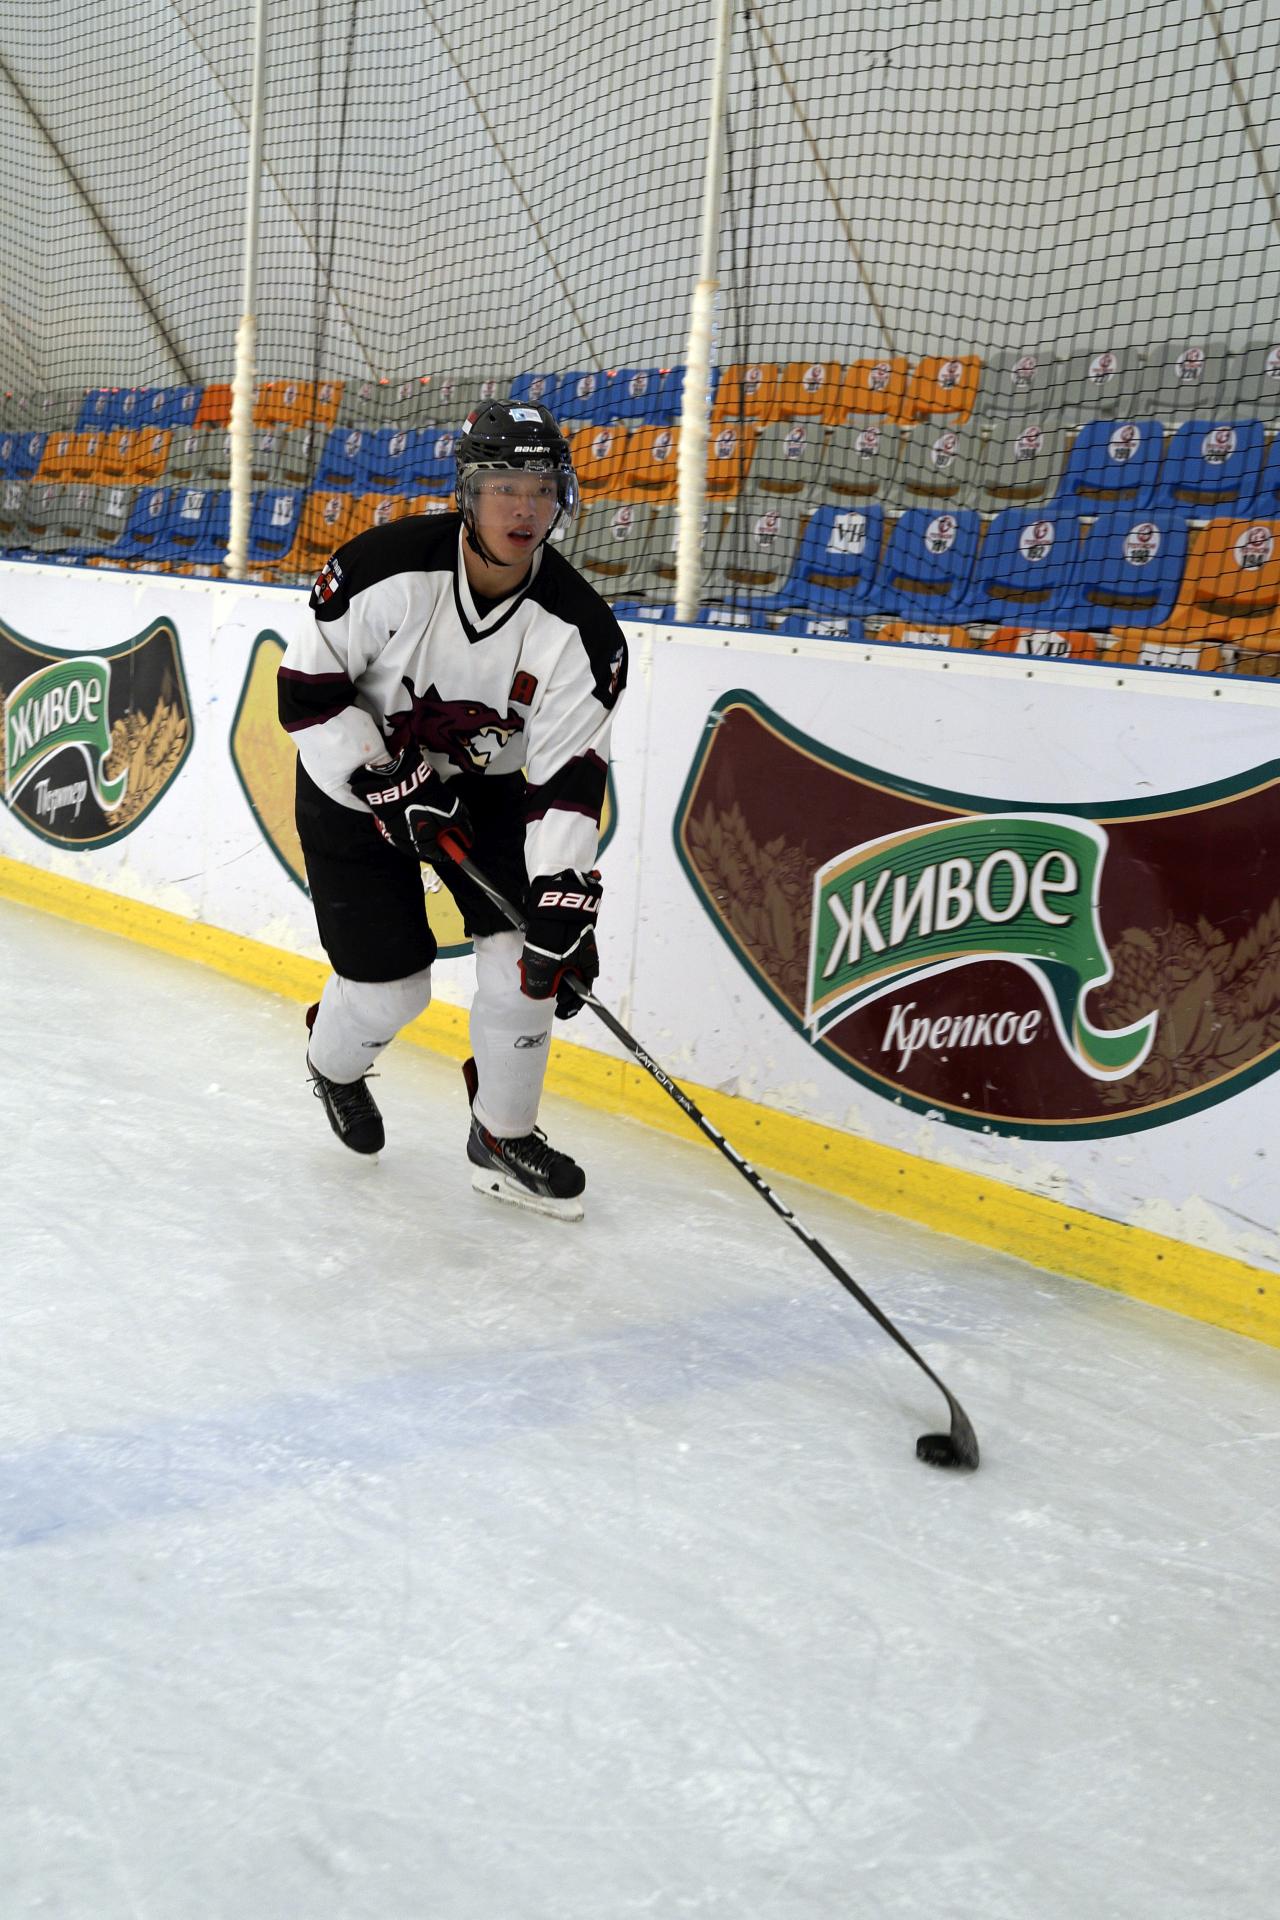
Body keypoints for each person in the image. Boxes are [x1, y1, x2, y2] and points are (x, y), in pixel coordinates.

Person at [277, 398, 628, 1221]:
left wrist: (565, 893)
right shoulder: (385, 568)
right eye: (504, 486)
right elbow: (306, 695)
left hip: (485, 789)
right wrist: (384, 779)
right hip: (351, 783)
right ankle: (333, 1063)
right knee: (392, 993)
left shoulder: (581, 630)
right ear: (467, 494)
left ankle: (503, 1137)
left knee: (526, 961)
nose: (524, 508)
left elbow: (569, 774)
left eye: (540, 488)